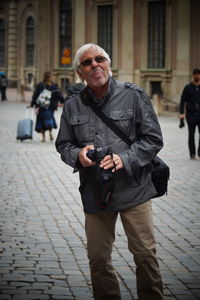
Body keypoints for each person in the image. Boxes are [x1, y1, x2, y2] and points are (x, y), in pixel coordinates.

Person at [56, 43, 164, 300]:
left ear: (109, 64)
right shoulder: (72, 105)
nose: (95, 65)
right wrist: (78, 156)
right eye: (87, 62)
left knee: (145, 255)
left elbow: (153, 139)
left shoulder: (134, 96)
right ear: (80, 72)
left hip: (134, 188)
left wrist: (123, 159)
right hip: (96, 193)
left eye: (100, 59)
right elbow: (63, 144)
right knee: (98, 259)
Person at [30, 71, 65, 142]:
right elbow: (59, 94)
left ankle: (43, 137)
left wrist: (32, 104)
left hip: (42, 106)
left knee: (41, 121)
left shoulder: (40, 85)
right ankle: (50, 132)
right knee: (49, 119)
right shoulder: (54, 86)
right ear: (50, 77)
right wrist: (63, 101)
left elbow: (35, 95)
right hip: (50, 107)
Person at [179, 68, 200, 160]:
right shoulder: (188, 87)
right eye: (195, 74)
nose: (197, 76)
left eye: (198, 74)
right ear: (193, 75)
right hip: (190, 114)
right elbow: (183, 100)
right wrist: (181, 113)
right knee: (191, 134)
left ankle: (199, 153)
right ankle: (192, 154)